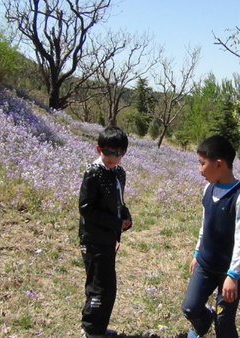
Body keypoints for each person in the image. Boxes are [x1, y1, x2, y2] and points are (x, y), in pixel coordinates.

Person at [181, 135, 240, 338]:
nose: (200, 169)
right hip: (205, 264)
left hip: (229, 271)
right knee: (190, 308)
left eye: (202, 163)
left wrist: (233, 275)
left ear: (219, 164)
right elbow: (205, 226)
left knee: (224, 323)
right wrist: (197, 252)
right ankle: (202, 323)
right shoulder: (208, 188)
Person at [78, 126, 132, 338]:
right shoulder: (93, 173)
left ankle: (98, 328)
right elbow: (86, 209)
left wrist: (126, 217)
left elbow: (119, 202)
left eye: (117, 153)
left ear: (124, 153)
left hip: (109, 238)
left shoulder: (119, 173)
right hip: (93, 239)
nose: (111, 157)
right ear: (98, 148)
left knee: (109, 287)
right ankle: (91, 331)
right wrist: (115, 222)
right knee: (98, 287)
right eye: (107, 152)